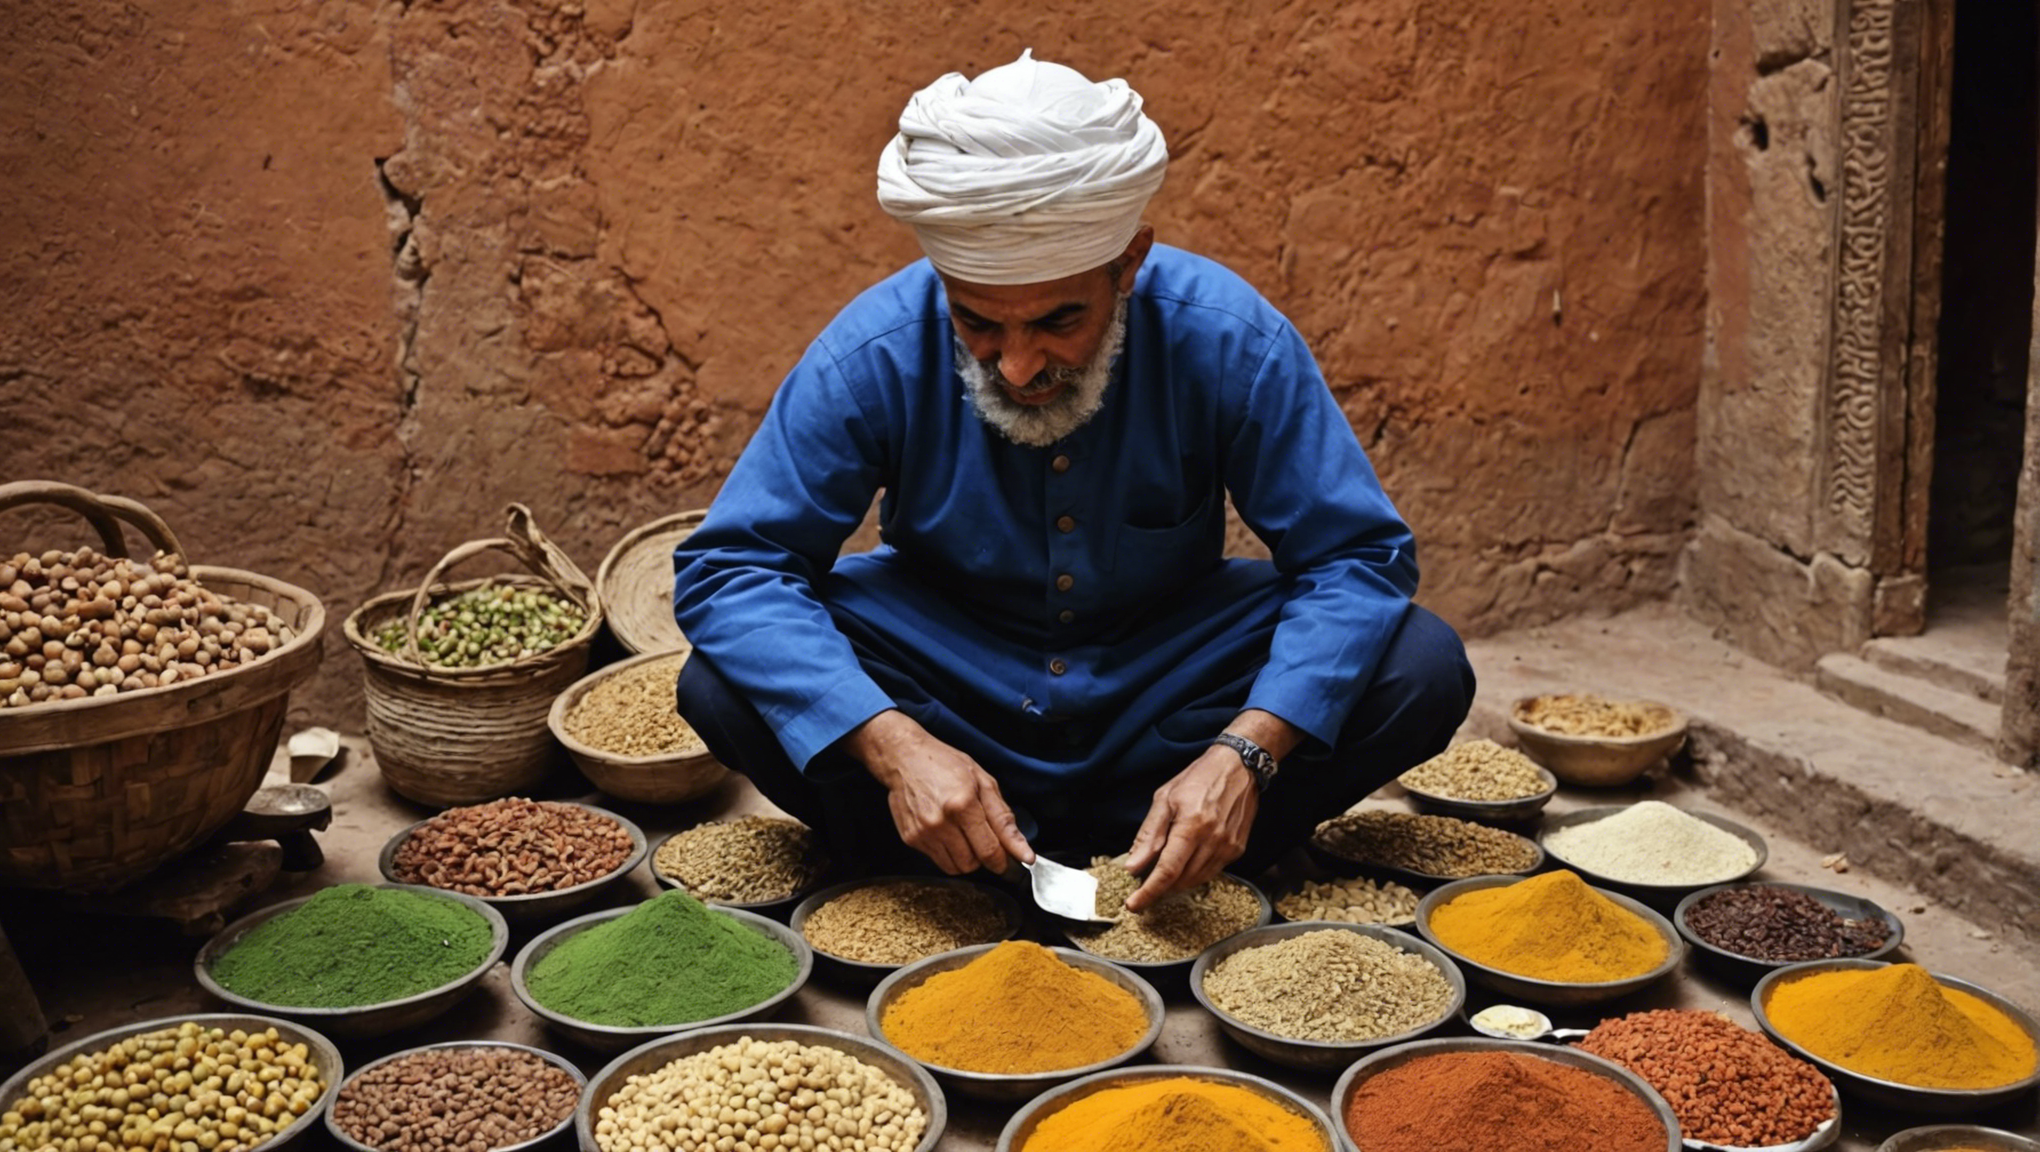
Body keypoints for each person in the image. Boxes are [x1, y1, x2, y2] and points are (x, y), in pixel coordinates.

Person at [673, 51, 1473, 913]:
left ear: (1128, 263)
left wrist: (1246, 754)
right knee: (721, 683)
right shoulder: (874, 348)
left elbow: (1356, 557)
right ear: (945, 282)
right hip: (953, 684)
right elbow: (732, 569)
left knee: (1418, 664)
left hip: (1160, 681)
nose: (1018, 365)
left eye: (1059, 320)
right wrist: (895, 745)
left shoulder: (1229, 336)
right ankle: (951, 842)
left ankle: (1174, 840)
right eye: (978, 321)